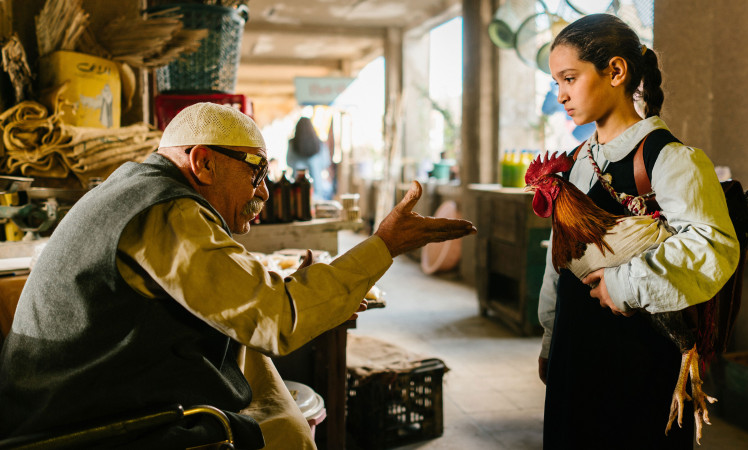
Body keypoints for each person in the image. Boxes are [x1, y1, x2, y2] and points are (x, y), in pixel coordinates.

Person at [0, 102, 476, 449]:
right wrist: (384, 245)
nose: (264, 192)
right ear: (203, 162)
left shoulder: (130, 186)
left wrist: (312, 290)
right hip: (81, 425)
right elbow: (278, 319)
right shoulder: (168, 211)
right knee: (277, 420)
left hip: (64, 400)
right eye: (256, 173)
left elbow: (245, 296)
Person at [537, 14, 739, 449]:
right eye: (556, 82)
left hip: (639, 356)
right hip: (577, 349)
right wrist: (551, 335)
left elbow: (713, 246)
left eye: (569, 78)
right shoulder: (575, 161)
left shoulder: (670, 159)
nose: (561, 95)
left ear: (615, 71)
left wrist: (623, 283)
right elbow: (559, 260)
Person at [287, 116, 333, 200]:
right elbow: (325, 163)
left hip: (297, 189)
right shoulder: (320, 143)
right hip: (317, 189)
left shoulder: (292, 143)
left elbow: (289, 162)